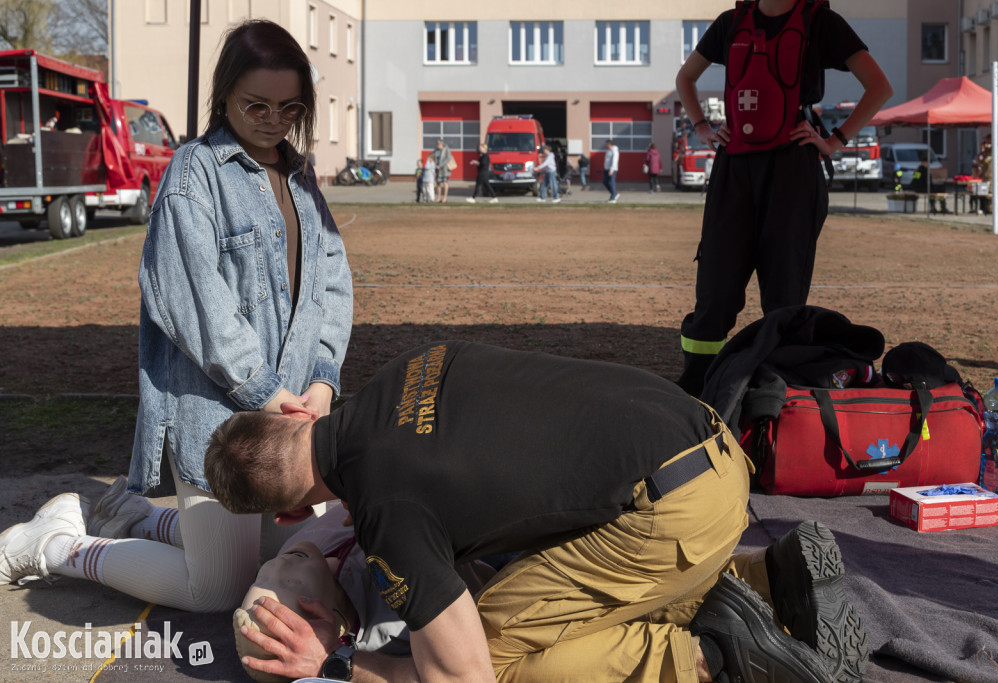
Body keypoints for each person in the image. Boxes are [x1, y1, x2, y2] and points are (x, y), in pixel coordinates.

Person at [205, 341, 866, 683]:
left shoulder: (389, 512)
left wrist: (340, 663)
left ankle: (711, 656)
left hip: (674, 512)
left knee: (504, 655)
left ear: (293, 515)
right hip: (711, 448)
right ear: (299, 413)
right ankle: (762, 580)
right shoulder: (414, 364)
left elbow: (467, 678)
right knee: (525, 581)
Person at [0, 20, 353, 613]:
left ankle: (133, 515)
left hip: (288, 415)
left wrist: (321, 382)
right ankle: (54, 546)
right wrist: (270, 394)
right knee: (216, 591)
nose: (274, 119)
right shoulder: (194, 175)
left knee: (295, 549)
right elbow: (197, 309)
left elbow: (333, 284)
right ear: (224, 95)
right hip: (217, 417)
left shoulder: (299, 175)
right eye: (256, 105)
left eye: (290, 106)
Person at [674, 0, 892, 396]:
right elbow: (685, 77)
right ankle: (697, 388)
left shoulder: (820, 21)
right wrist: (702, 127)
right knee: (715, 292)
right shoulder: (730, 23)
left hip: (793, 171)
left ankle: (772, 394)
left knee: (784, 296)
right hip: (734, 170)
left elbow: (879, 87)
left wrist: (833, 141)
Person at [233, 504, 498, 682]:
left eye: (262, 577)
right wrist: (334, 660)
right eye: (291, 584)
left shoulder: (298, 549)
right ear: (331, 619)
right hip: (491, 547)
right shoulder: (396, 621)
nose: (277, 565)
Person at [433, 139, 453, 203]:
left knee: (445, 183)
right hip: (437, 169)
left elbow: (448, 158)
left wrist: (440, 165)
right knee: (438, 183)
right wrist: (435, 165)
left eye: (439, 144)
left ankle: (444, 198)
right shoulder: (435, 150)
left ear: (442, 144)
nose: (438, 145)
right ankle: (439, 198)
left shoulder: (446, 149)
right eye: (437, 144)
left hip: (444, 169)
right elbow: (432, 157)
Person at [603, 138, 620, 202]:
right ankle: (615, 194)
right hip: (606, 169)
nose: (605, 146)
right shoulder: (608, 151)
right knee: (605, 182)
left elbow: (614, 160)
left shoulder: (614, 150)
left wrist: (612, 169)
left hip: (612, 169)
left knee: (612, 183)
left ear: (609, 144)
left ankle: (613, 198)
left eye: (606, 144)